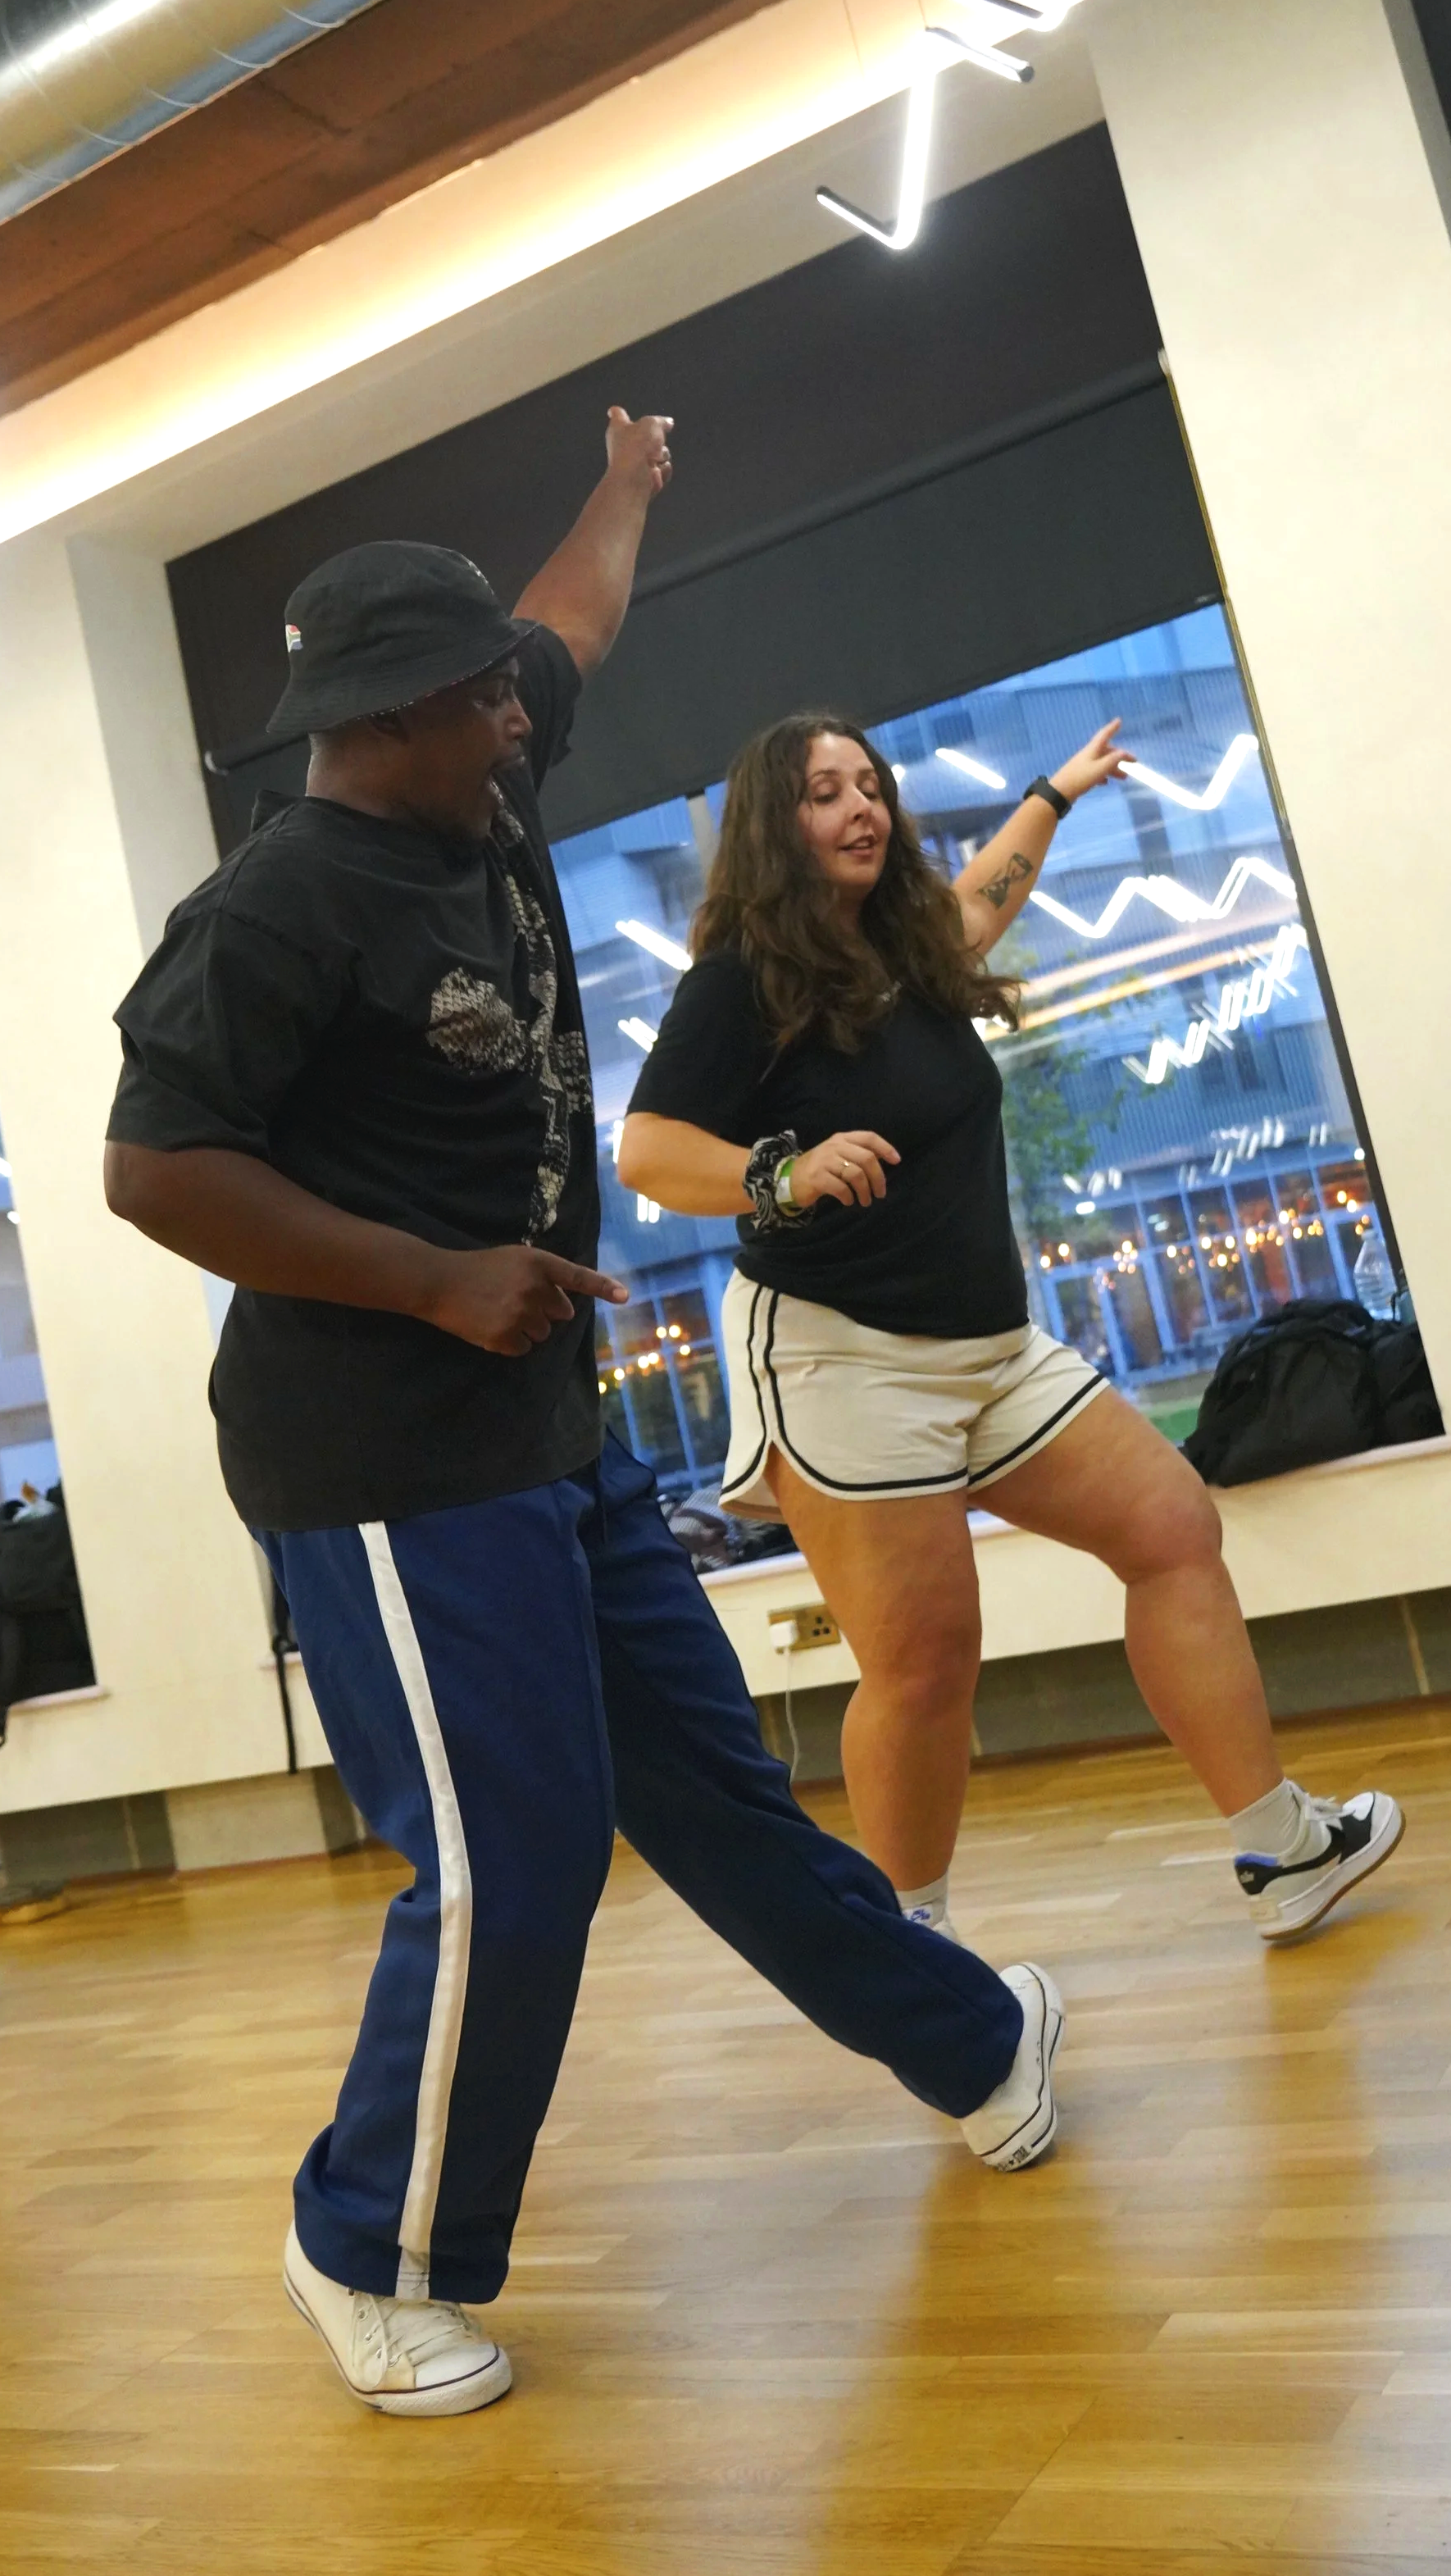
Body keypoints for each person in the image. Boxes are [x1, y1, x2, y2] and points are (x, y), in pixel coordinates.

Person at [103, 413, 1065, 2425]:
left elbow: (568, 623)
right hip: (378, 1456)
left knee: (709, 1786)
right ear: (378, 721)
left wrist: (628, 482)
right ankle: (364, 2243)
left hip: (542, 1425)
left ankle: (970, 2039)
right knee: (509, 1855)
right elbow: (156, 1166)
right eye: (478, 703)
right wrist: (437, 1276)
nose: (518, 721)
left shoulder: (481, 766)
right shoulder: (280, 907)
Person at [618, 710, 1403, 1947]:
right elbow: (651, 1153)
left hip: (986, 1345)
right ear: (776, 823)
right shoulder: (739, 983)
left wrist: (1054, 791)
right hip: (840, 1354)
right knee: (926, 1659)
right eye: (825, 792)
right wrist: (783, 1168)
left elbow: (983, 896)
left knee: (1169, 1526)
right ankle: (916, 1965)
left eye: (869, 785)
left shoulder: (906, 951)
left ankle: (1281, 1847)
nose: (861, 807)